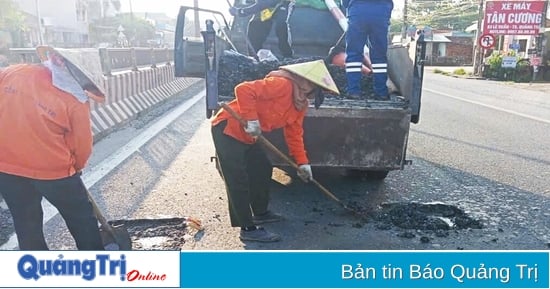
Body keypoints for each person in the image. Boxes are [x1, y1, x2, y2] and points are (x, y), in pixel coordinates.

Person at [211, 60, 339, 242]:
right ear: (307, 84)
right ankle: (247, 228)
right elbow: (243, 89)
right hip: (228, 127)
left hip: (249, 135)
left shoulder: (299, 105)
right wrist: (252, 119)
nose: (314, 97)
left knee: (262, 167)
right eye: (316, 90)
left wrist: (303, 163)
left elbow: (294, 134)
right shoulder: (282, 85)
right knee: (237, 179)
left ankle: (261, 212)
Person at [0, 46, 106, 250]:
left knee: (26, 223)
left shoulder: (16, 72)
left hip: (7, 168)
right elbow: (81, 146)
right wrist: (76, 167)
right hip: (54, 173)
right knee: (82, 220)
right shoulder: (75, 100)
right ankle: (96, 266)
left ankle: (37, 274)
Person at [342, 0, 393, 100]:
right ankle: (381, 92)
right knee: (379, 55)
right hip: (381, 13)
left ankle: (353, 91)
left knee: (354, 53)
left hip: (358, 12)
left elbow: (345, 3)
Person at [230, 0, 295, 59]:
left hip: (282, 3)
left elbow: (264, 4)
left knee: (281, 24)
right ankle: (254, 56)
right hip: (265, 6)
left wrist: (241, 12)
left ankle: (287, 55)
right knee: (254, 25)